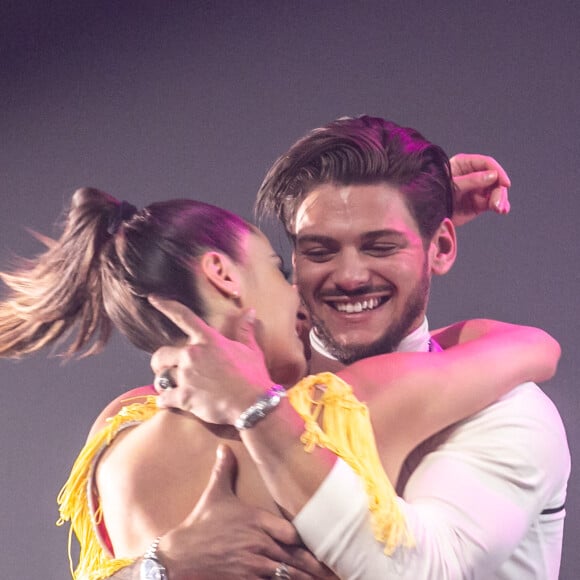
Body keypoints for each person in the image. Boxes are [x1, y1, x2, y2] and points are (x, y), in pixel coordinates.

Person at [0, 184, 559, 580]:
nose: (301, 300)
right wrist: (414, 233)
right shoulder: (343, 405)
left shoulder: (117, 433)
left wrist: (160, 568)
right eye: (279, 269)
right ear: (223, 275)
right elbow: (533, 348)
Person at [147, 116, 570, 579]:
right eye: (320, 251)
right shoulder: (212, 395)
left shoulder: (508, 410)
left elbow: (428, 571)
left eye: (381, 247)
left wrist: (256, 410)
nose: (349, 277)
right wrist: (159, 567)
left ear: (441, 248)